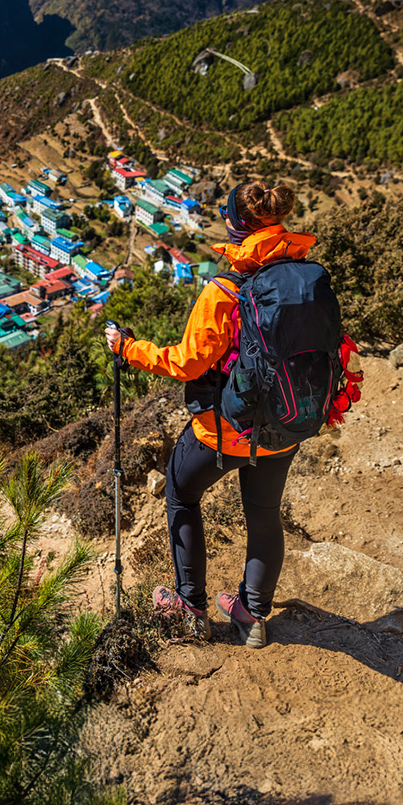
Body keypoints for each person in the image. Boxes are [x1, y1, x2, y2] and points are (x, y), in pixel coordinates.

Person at [105, 181, 313, 649]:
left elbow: (188, 363)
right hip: (285, 425)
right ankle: (253, 617)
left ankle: (190, 607)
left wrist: (128, 349)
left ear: (235, 227)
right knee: (263, 516)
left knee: (181, 494)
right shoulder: (305, 277)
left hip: (225, 431)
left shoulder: (224, 291)